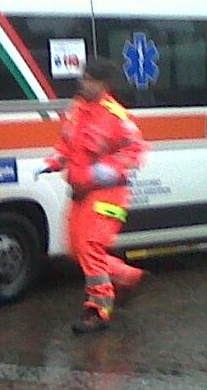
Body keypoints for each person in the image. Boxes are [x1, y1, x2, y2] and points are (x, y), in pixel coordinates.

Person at [37, 57, 148, 334]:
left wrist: (103, 171)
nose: (82, 82)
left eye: (88, 78)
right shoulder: (78, 110)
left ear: (102, 84)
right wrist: (52, 162)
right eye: (83, 77)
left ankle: (99, 308)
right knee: (76, 250)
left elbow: (136, 151)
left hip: (107, 194)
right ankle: (126, 276)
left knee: (89, 247)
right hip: (81, 192)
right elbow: (67, 145)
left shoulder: (115, 115)